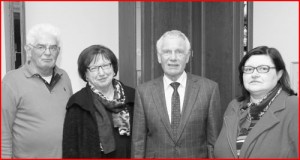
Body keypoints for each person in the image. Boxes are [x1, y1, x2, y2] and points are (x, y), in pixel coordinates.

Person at [131, 30, 222, 158]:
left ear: (188, 56)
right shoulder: (143, 92)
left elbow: (214, 142)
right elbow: (138, 144)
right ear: (158, 56)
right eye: (167, 52)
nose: (173, 58)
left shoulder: (209, 89)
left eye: (179, 52)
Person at [1, 23, 73, 158]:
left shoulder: (64, 77)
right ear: (28, 50)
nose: (47, 52)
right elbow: (3, 132)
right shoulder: (11, 81)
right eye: (41, 47)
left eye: (53, 47)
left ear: (58, 51)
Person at [214, 46, 298, 158]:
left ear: (279, 74)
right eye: (248, 69)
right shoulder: (234, 106)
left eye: (263, 69)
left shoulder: (294, 107)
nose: (254, 74)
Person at [62, 44, 135, 158]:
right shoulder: (78, 103)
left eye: (106, 65)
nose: (101, 73)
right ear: (85, 74)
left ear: (113, 69)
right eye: (94, 68)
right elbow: (70, 148)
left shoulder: (132, 97)